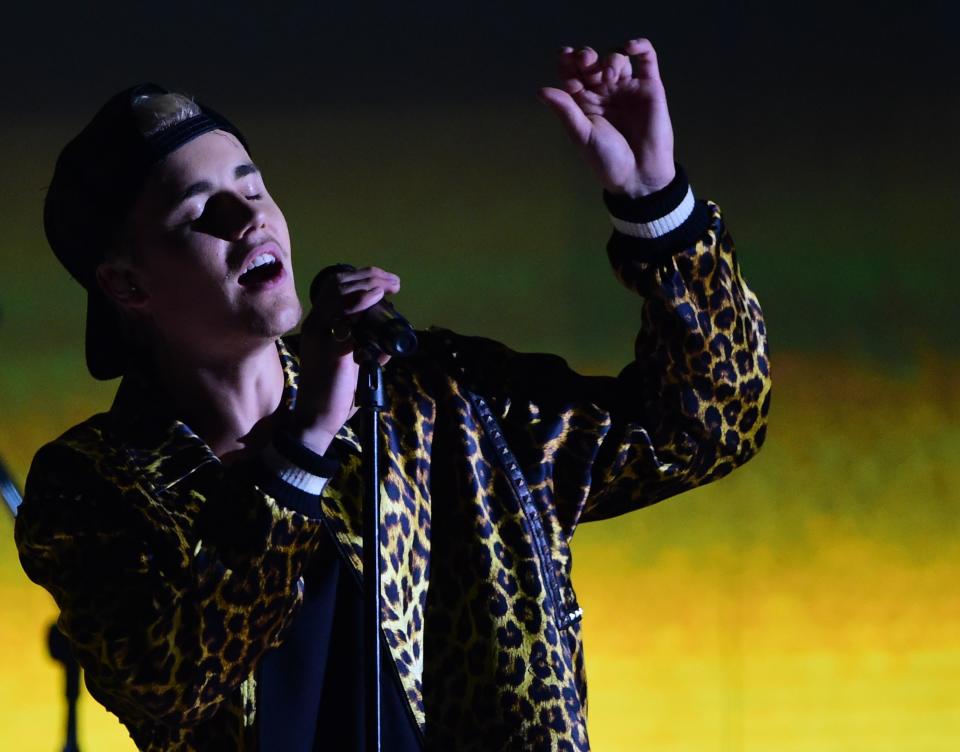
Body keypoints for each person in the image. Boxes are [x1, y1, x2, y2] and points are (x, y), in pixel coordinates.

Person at [15, 39, 771, 751]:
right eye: (199, 211)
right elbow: (168, 682)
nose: (249, 216)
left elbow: (707, 425)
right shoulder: (95, 486)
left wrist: (654, 205)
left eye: (252, 187)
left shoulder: (435, 404)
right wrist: (305, 443)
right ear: (125, 282)